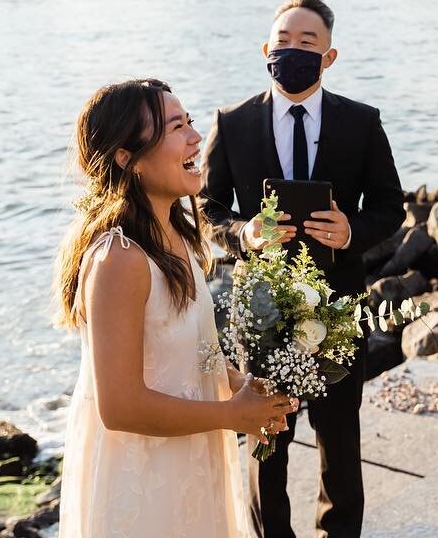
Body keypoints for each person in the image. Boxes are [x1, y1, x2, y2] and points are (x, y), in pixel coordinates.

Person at [55, 78, 297, 538]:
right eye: (174, 128)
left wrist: (243, 387)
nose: (195, 137)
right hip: (144, 476)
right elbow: (120, 406)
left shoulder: (180, 236)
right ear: (127, 158)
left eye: (189, 121)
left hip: (191, 455)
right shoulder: (119, 258)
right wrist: (232, 416)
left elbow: (188, 350)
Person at [201, 0, 405, 538]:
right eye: (283, 42)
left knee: (340, 439)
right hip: (262, 309)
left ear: (329, 56)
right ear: (266, 51)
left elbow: (390, 206)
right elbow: (207, 208)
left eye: (307, 43)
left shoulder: (362, 123)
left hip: (338, 306)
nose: (293, 51)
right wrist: (242, 233)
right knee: (266, 440)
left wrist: (351, 231)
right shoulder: (233, 121)